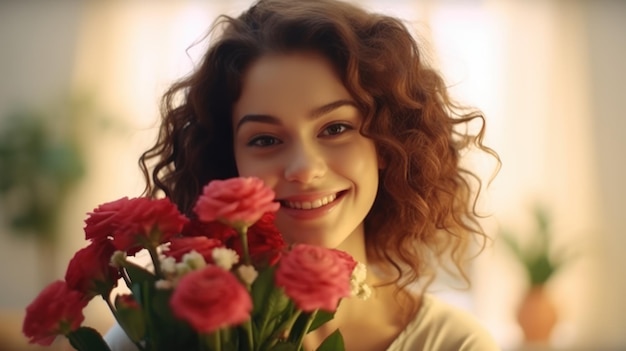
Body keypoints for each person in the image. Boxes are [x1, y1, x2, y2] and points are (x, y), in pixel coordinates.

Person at [105, 0, 501, 350]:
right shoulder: (154, 335)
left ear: (386, 142)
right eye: (264, 140)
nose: (305, 169)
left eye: (335, 128)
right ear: (231, 163)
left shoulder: (457, 344)